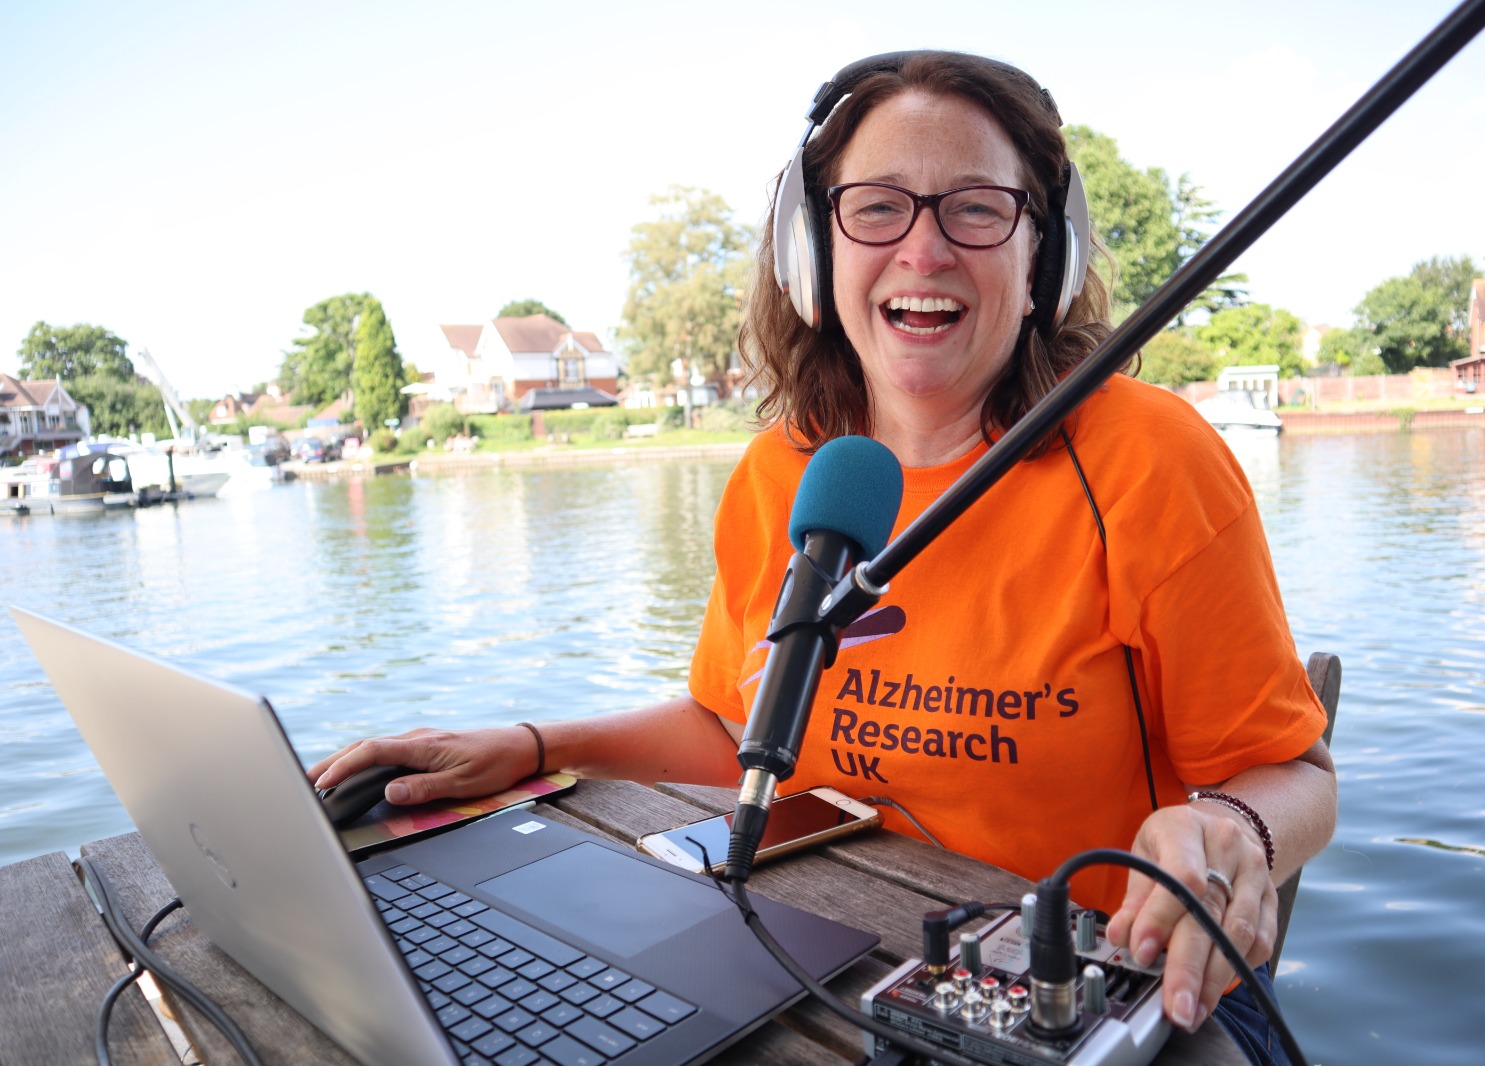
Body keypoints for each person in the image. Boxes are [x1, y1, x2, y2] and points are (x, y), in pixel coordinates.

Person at [310, 51, 1335, 1064]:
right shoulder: (785, 470)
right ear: (815, 253)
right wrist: (536, 744)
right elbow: (735, 721)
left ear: (1041, 259)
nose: (923, 251)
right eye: (877, 206)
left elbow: (1294, 774)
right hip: (846, 964)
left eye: (976, 208)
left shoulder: (1148, 457)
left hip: (1113, 993)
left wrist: (1235, 830)